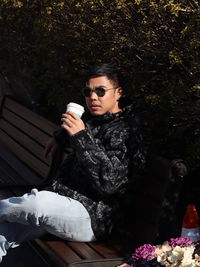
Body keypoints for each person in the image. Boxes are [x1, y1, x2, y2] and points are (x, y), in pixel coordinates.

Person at [0, 63, 146, 261]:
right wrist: (60, 137)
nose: (93, 97)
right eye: (88, 91)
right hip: (63, 203)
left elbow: (110, 184)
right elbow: (81, 131)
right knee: (3, 232)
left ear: (118, 93)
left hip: (94, 217)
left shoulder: (128, 132)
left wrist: (80, 136)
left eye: (101, 91)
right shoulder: (95, 118)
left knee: (36, 204)